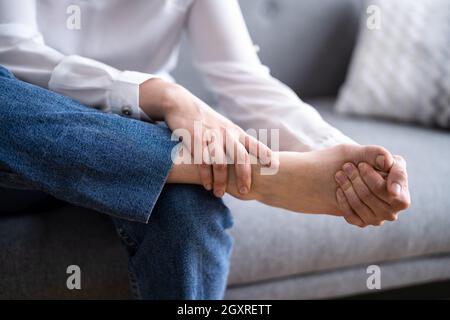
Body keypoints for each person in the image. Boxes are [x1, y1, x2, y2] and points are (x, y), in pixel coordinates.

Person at [0, 0, 410, 299]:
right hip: (18, 150)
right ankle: (245, 174)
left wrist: (346, 163)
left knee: (191, 210)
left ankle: (199, 167)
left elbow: (244, 81)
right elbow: (12, 55)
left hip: (140, 160)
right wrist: (161, 94)